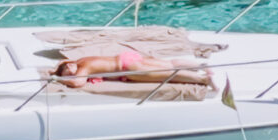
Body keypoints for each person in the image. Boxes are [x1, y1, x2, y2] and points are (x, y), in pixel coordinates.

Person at [50, 48, 212, 97]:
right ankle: (199, 66)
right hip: (126, 57)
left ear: (69, 66)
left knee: (167, 73)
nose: (70, 72)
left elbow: (78, 82)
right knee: (169, 63)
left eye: (67, 70)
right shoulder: (82, 60)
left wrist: (60, 79)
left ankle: (203, 80)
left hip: (127, 68)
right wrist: (59, 70)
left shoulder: (83, 68)